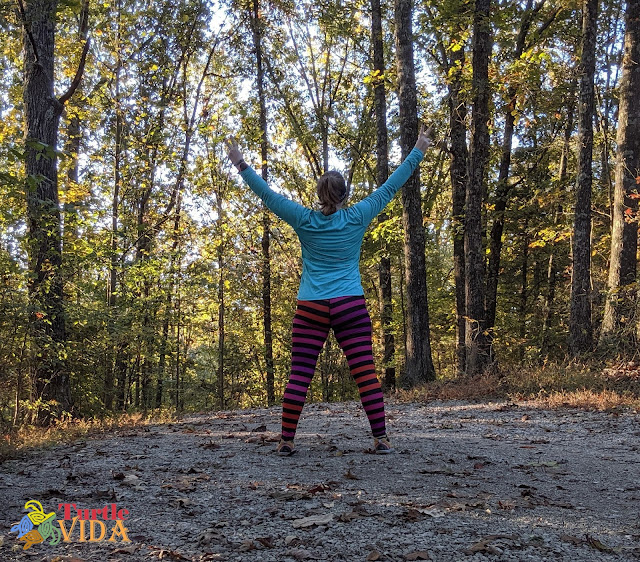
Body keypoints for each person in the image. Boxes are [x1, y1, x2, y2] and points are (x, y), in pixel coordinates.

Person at [225, 124, 433, 455]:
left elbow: (267, 194)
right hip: (350, 304)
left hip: (311, 307)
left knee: (300, 375)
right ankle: (381, 439)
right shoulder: (359, 215)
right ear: (344, 193)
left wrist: (240, 163)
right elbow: (394, 184)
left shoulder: (303, 219)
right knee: (365, 372)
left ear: (320, 193)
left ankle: (287, 442)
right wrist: (419, 146)